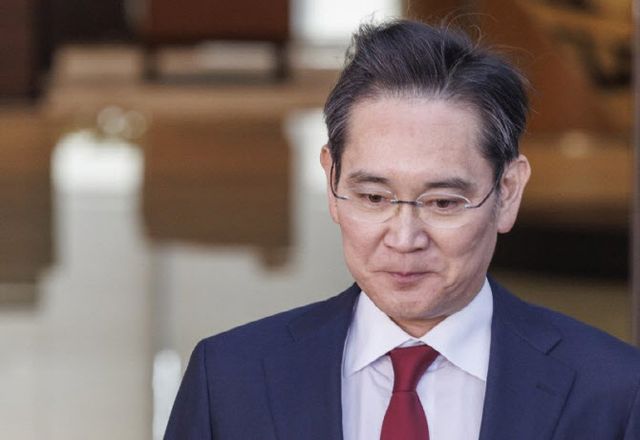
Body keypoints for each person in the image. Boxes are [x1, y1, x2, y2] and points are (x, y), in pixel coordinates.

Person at [164, 20, 640, 440]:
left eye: (443, 202)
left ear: (508, 192)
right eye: (374, 198)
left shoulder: (613, 391)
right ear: (331, 182)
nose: (404, 238)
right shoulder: (229, 379)